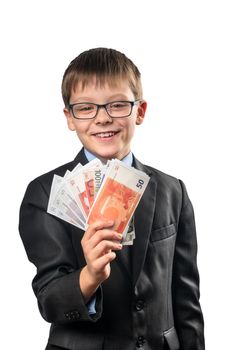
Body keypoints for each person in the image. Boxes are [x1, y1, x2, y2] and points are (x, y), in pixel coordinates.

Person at [19, 48, 205, 350]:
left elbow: (187, 298)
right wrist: (90, 275)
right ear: (69, 117)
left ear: (140, 111)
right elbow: (49, 300)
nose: (103, 118)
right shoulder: (46, 193)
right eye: (86, 108)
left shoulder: (174, 191)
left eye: (117, 105)